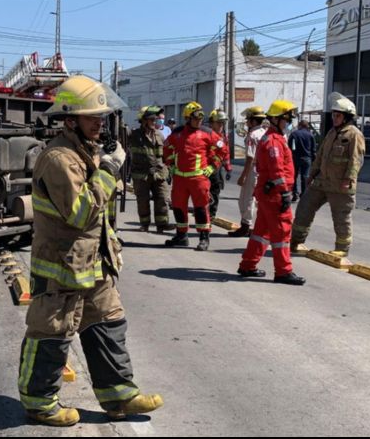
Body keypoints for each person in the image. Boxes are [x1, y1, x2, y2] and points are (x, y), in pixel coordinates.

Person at [21, 75, 163, 427]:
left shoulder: (86, 152)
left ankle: (119, 395)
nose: (100, 123)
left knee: (108, 322)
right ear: (70, 120)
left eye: (103, 116)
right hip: (61, 265)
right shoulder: (59, 159)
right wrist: (110, 170)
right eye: (92, 117)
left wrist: (104, 164)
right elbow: (81, 211)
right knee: (52, 331)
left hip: (93, 262)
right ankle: (39, 403)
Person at [237, 100, 305, 285]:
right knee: (282, 233)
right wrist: (284, 193)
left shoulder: (273, 138)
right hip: (274, 193)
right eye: (287, 119)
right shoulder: (274, 141)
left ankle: (248, 265)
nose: (288, 122)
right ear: (276, 119)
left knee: (262, 231)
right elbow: (277, 170)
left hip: (268, 192)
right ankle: (283, 271)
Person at [291, 93, 365, 257]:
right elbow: (320, 156)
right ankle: (296, 241)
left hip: (340, 184)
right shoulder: (332, 133)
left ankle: (342, 248)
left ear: (346, 117)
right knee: (304, 208)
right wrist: (311, 174)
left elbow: (356, 160)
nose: (334, 118)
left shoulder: (354, 134)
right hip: (322, 182)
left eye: (338, 115)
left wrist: (348, 180)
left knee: (341, 218)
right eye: (333, 114)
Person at [163, 101, 227, 251]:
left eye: (200, 118)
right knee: (178, 208)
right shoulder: (177, 133)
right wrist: (171, 164)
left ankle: (204, 238)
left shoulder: (208, 133)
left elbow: (222, 150)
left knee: (200, 209)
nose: (199, 121)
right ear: (187, 118)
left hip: (198, 179)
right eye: (196, 118)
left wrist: (213, 167)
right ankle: (181, 236)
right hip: (179, 179)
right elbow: (167, 148)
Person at [129, 105, 171, 233]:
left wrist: (168, 169)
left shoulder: (160, 135)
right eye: (152, 119)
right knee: (143, 200)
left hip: (159, 173)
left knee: (163, 198)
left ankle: (162, 224)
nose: (155, 122)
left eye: (155, 119)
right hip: (141, 175)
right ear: (143, 120)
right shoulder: (134, 135)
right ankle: (144, 224)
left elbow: (166, 154)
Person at [228, 106, 268, 238]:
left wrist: (243, 176)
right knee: (258, 200)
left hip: (253, 170)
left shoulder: (252, 135)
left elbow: (250, 157)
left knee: (246, 200)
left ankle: (246, 226)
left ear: (253, 121)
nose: (246, 123)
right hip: (264, 171)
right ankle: (257, 226)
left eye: (248, 120)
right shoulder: (266, 133)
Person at [207, 109, 232, 218]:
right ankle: (203, 214)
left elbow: (226, 153)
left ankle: (211, 215)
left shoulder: (223, 137)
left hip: (216, 169)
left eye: (223, 123)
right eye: (219, 122)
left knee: (215, 191)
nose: (221, 125)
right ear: (212, 123)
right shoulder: (206, 135)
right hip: (205, 168)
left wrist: (228, 168)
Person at [287, 119, 316, 201]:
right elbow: (313, 149)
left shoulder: (294, 134)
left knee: (294, 176)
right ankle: (303, 194)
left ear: (300, 125)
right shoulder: (310, 135)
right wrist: (314, 161)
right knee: (305, 177)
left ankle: (295, 194)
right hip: (307, 158)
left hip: (295, 158)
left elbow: (289, 147)